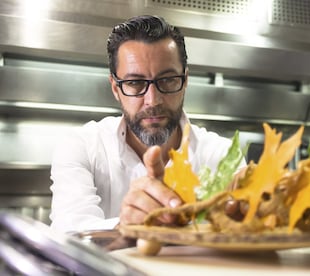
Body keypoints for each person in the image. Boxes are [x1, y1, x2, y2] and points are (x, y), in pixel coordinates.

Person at [49, 15, 245, 233]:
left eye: (167, 79)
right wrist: (126, 228)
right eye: (135, 83)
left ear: (185, 80)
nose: (153, 100)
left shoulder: (222, 155)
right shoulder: (82, 146)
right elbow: (68, 234)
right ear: (115, 87)